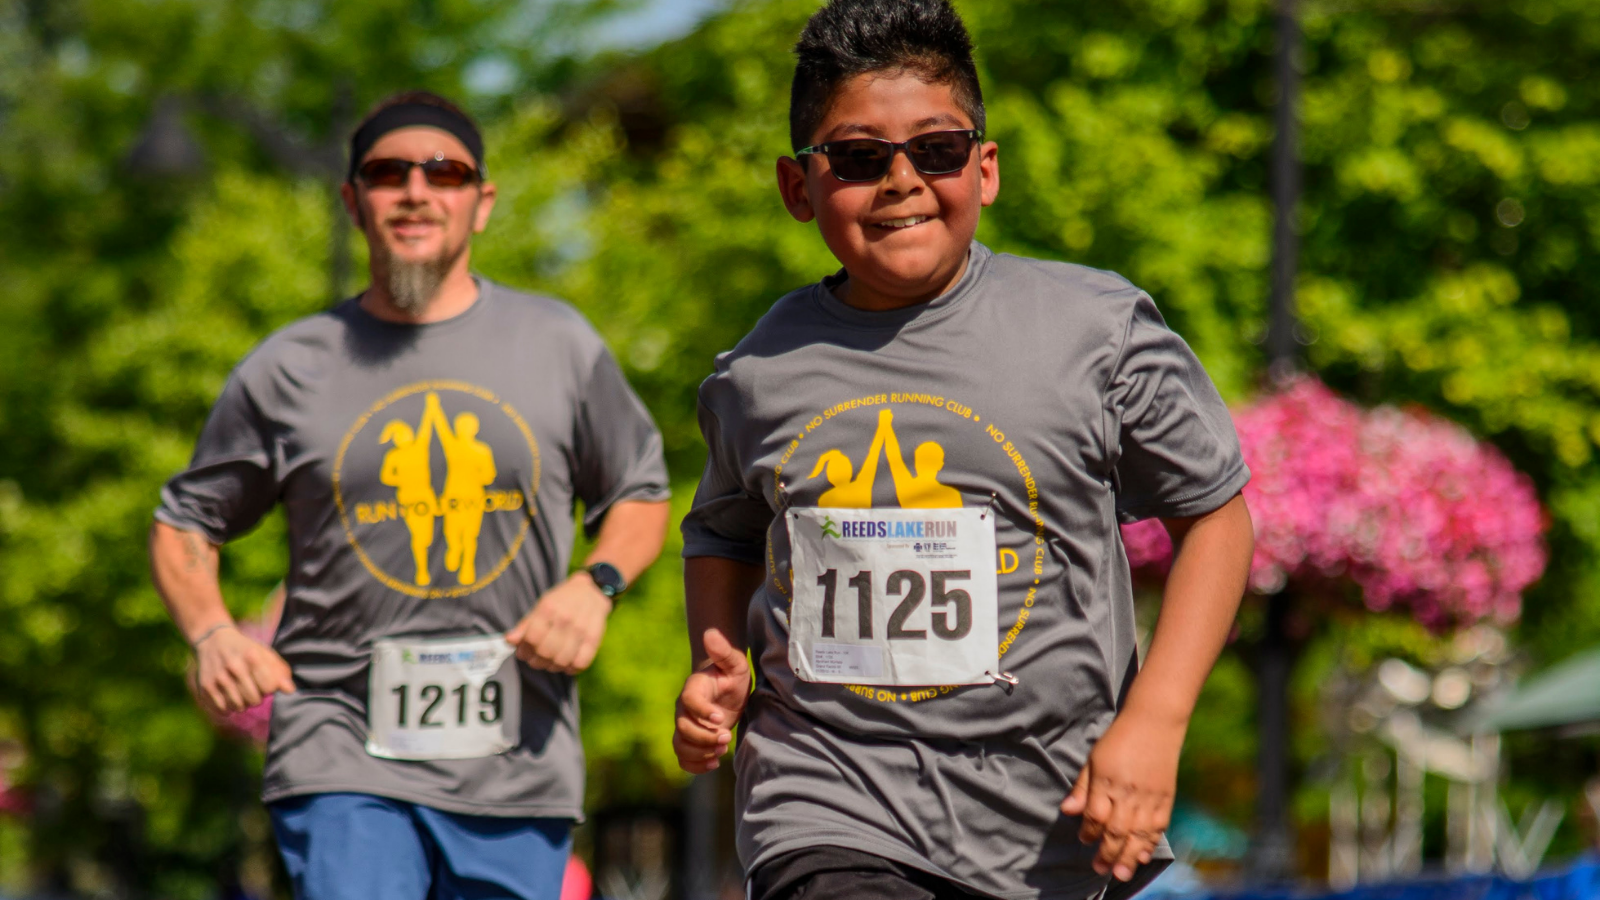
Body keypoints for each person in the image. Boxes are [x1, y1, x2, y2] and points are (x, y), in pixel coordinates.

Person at [671, 2, 1256, 899]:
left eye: (936, 149)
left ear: (984, 169)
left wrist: (1156, 722)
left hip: (1050, 827)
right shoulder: (757, 372)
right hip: (824, 797)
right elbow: (722, 530)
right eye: (859, 158)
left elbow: (1215, 518)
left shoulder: (1094, 330)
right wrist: (718, 659)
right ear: (798, 187)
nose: (901, 181)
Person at [150, 90, 671, 900]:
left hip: (516, 761)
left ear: (482, 202)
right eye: (388, 173)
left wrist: (595, 585)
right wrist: (212, 633)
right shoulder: (289, 366)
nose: (416, 191)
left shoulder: (559, 345)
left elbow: (639, 490)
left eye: (445, 173)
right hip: (338, 747)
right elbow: (186, 519)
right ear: (353, 201)